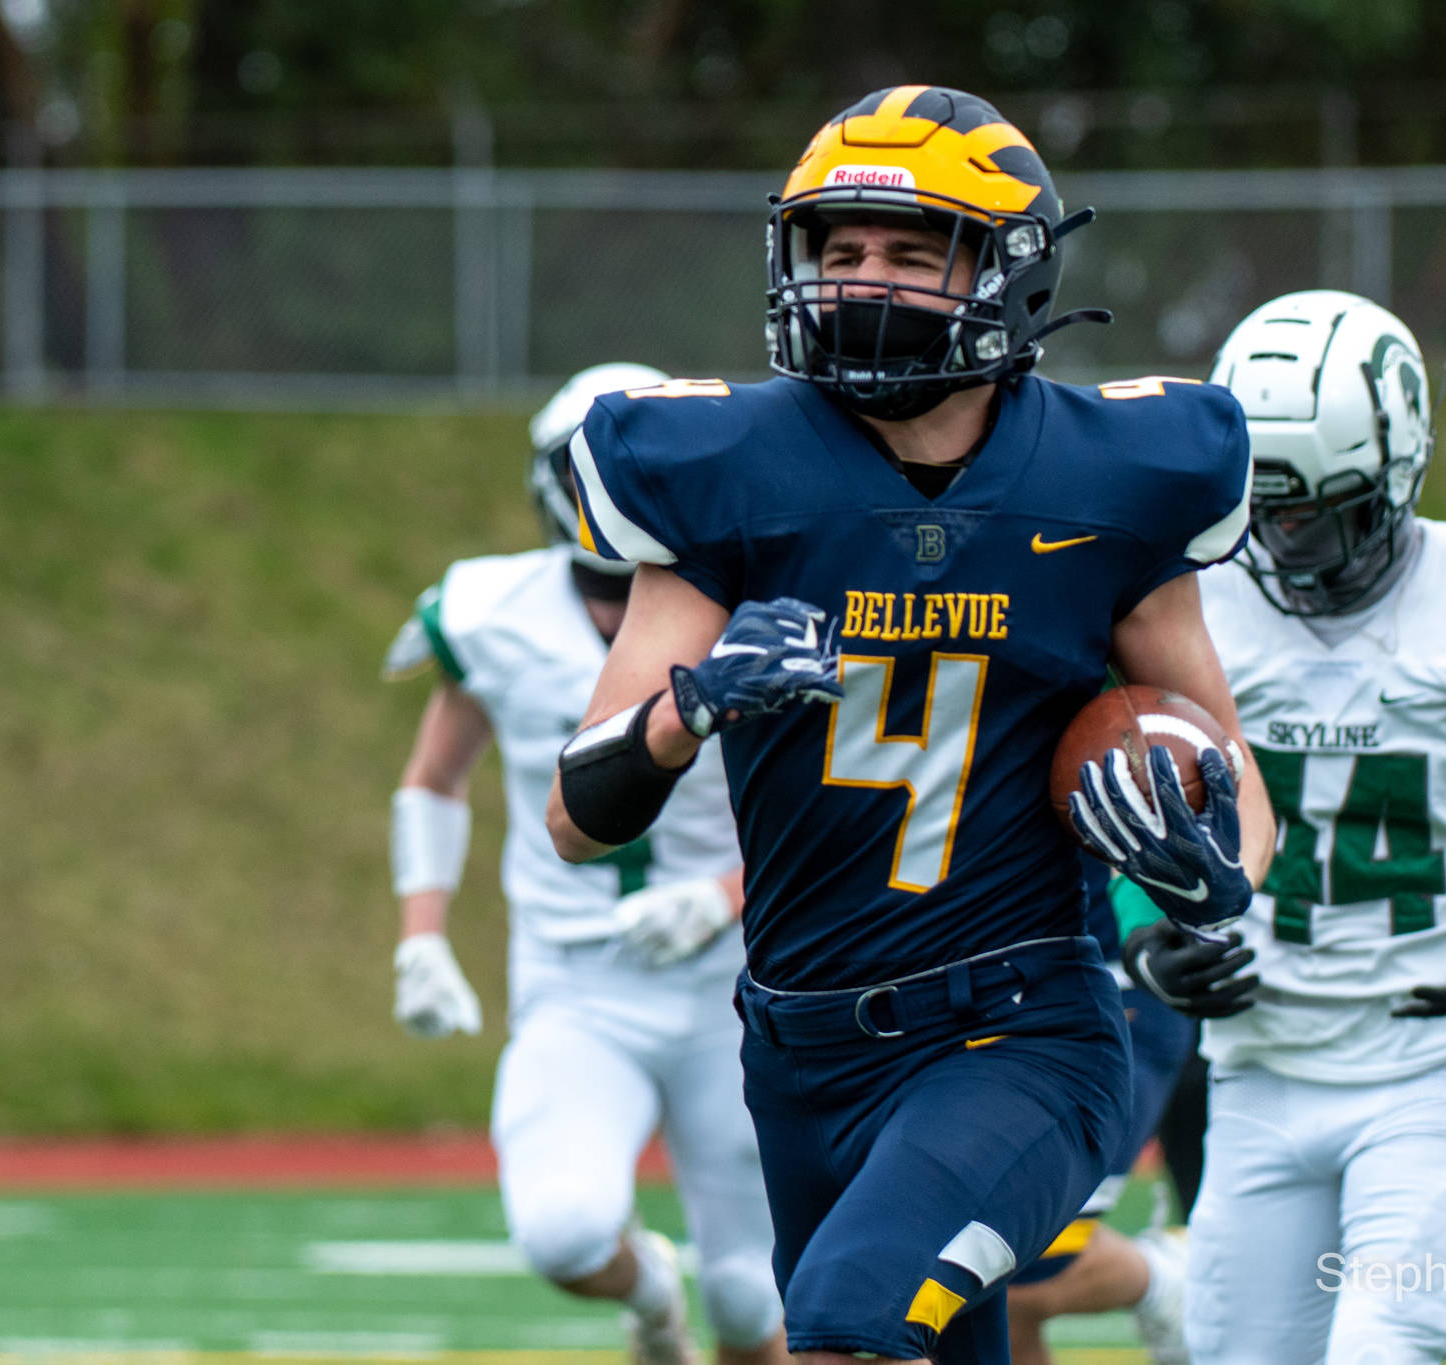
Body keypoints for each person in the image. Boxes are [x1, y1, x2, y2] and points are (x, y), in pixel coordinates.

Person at [543, 85, 1275, 1365]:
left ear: (1002, 270)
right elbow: (576, 816)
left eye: (904, 249)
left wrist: (1221, 881)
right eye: (835, 251)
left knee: (840, 1329)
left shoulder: (1115, 479)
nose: (857, 279)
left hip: (1021, 1030)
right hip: (797, 1047)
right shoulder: (723, 470)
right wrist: (692, 709)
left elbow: (1219, 762)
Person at [1122, 291, 1446, 1365]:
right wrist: (1141, 934)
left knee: (1382, 1347)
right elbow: (1124, 815)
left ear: (1397, 471)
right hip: (1258, 1063)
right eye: (1263, 509)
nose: (1283, 541)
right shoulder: (1181, 606)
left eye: (1313, 510)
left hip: (1437, 1064)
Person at [382, 363, 786, 1365]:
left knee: (749, 1298)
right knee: (561, 1231)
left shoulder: (762, 608)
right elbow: (433, 778)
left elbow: (832, 808)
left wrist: (723, 894)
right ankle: (649, 1295)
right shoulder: (492, 611)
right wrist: (421, 936)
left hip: (733, 985)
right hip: (577, 985)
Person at [1001, 864, 1197, 1365]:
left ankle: (1164, 1281)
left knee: (1001, 1271)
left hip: (1111, 983)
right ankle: (1165, 1279)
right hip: (959, 989)